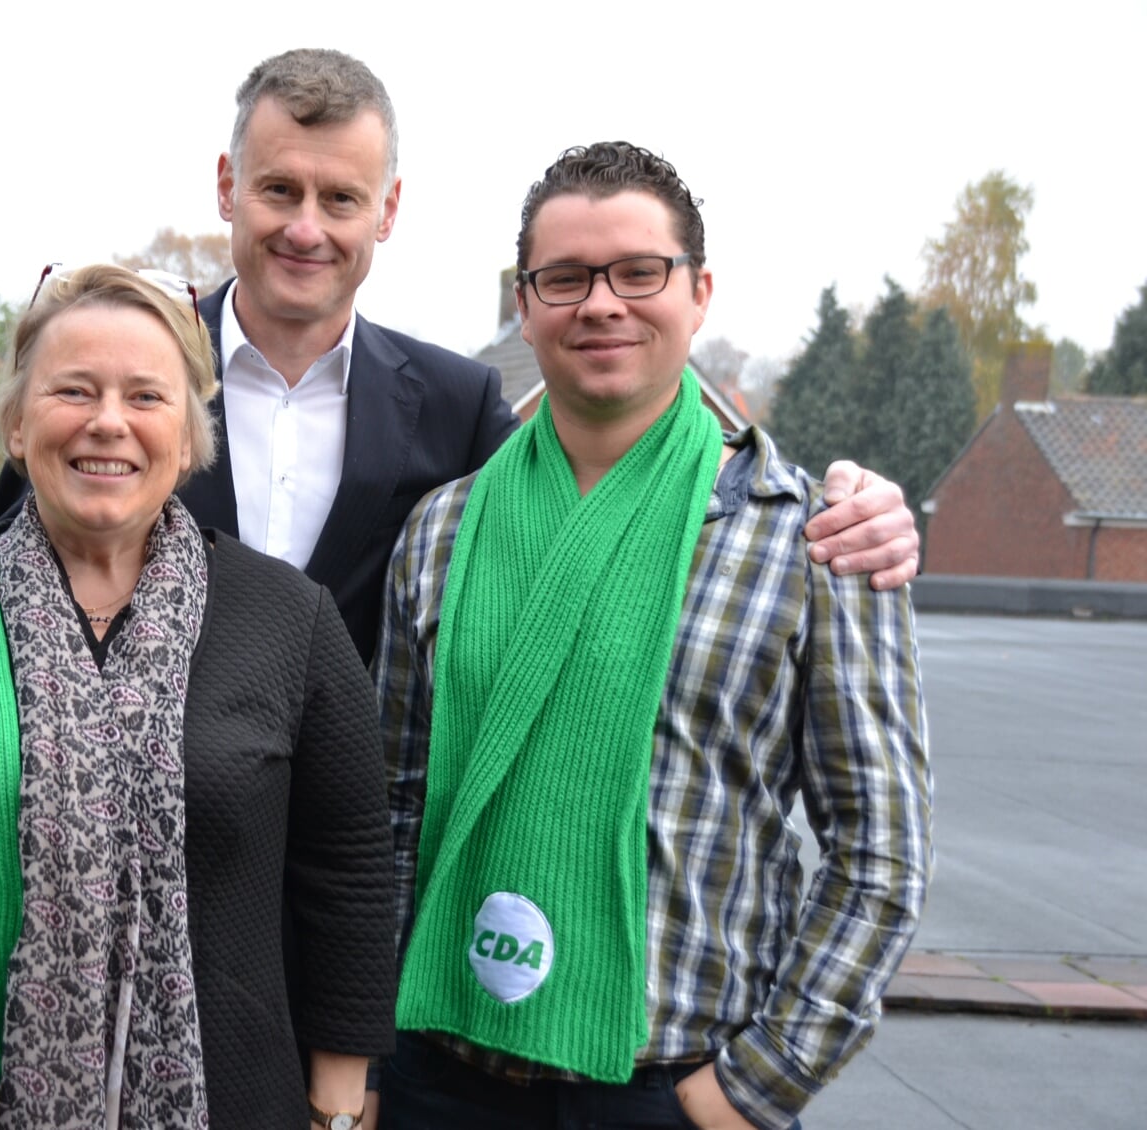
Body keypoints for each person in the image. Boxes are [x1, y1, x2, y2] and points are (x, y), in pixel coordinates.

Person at [0, 49, 923, 659]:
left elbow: (616, 434)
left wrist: (842, 496)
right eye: (280, 189)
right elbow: (6, 554)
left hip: (342, 875)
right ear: (226, 188)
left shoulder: (457, 402)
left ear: (386, 211)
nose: (307, 226)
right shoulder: (126, 381)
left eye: (340, 197)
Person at [0, 264, 396, 1130]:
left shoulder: (289, 620)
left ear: (191, 437)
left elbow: (348, 864)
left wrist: (341, 1095)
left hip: (229, 1094)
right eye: (73, 390)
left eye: (146, 397)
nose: (108, 422)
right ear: (16, 423)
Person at [375, 143, 931, 1130]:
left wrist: (751, 1089)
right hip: (439, 1073)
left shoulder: (813, 538)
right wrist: (370, 1055)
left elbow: (880, 851)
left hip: (672, 1088)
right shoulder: (443, 530)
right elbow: (393, 809)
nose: (601, 303)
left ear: (699, 290)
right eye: (566, 277)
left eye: (640, 271)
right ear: (526, 299)